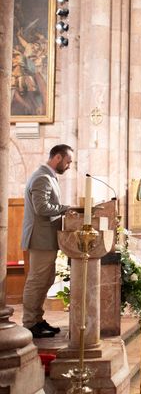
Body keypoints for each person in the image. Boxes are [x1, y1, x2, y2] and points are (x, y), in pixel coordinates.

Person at [21, 144, 74, 338]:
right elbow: (41, 208)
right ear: (58, 158)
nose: (69, 166)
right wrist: (66, 208)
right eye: (68, 161)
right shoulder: (42, 177)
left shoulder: (49, 176)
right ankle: (29, 323)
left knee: (46, 280)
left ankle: (37, 319)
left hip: (46, 238)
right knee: (37, 281)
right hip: (40, 238)